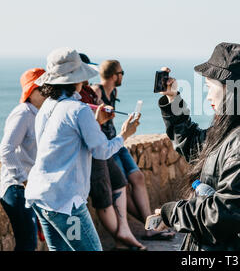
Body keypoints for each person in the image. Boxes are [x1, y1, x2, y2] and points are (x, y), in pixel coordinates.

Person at [153, 42, 240, 251]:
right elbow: (195, 146)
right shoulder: (236, 129)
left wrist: (173, 213)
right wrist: (172, 98)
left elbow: (228, 211)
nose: (209, 96)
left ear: (230, 89)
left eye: (210, 87)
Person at [24, 48, 140, 251]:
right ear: (77, 79)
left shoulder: (47, 107)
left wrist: (95, 124)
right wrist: (125, 135)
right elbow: (102, 151)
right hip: (65, 203)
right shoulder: (79, 110)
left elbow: (63, 141)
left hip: (40, 196)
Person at [91, 60, 174, 240]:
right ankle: (150, 226)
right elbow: (92, 120)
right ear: (114, 75)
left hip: (118, 141)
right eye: (121, 73)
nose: (122, 76)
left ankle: (150, 225)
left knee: (138, 177)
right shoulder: (96, 91)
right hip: (106, 146)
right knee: (122, 187)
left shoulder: (113, 91)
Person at [78, 53, 146, 250]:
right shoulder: (82, 97)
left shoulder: (89, 92)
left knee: (123, 182)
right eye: (121, 73)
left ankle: (129, 230)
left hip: (109, 145)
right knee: (105, 195)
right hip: (100, 148)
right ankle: (123, 236)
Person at [0, 68, 46, 251]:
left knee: (29, 242)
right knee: (27, 243)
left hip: (29, 187)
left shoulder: (40, 114)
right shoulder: (23, 113)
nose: (46, 92)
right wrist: (24, 180)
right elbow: (6, 150)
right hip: (16, 187)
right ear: (31, 91)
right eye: (41, 88)